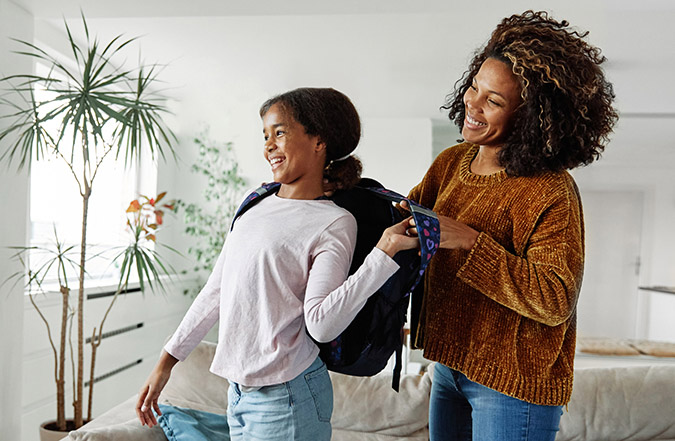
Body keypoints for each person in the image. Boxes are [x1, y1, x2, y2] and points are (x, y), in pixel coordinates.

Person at [135, 87, 419, 440]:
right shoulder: (255, 204)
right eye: (266, 135)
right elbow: (216, 291)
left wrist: (384, 252)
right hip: (237, 394)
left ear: (319, 141)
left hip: (288, 397)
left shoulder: (333, 222)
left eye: (280, 132)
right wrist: (166, 364)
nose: (268, 144)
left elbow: (322, 325)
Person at [404, 10, 618, 441]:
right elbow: (407, 225)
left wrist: (469, 243)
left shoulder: (551, 190)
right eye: (474, 86)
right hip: (448, 368)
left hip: (512, 388)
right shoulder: (450, 163)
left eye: (494, 101)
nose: (473, 103)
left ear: (530, 117)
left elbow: (554, 298)